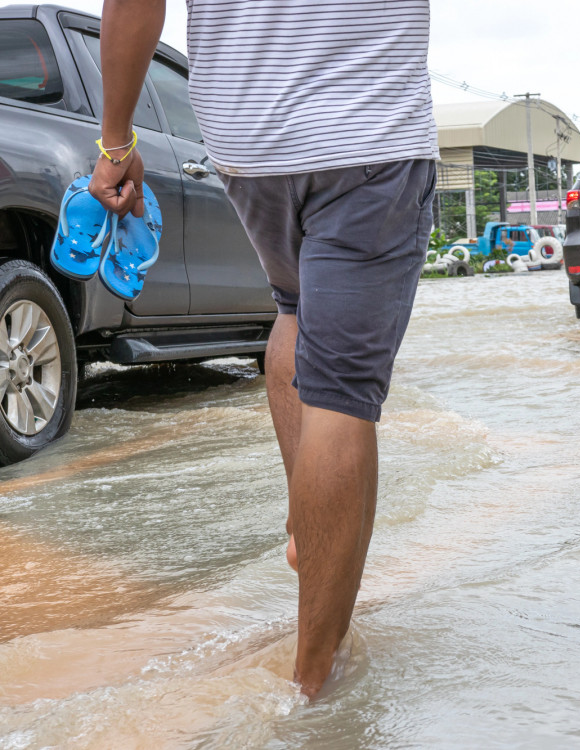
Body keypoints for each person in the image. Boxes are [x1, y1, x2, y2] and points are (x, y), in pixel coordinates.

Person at [90, 0, 438, 698]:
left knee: (294, 309)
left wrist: (116, 143)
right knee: (342, 394)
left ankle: (310, 529)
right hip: (366, 136)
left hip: (251, 147)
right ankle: (315, 684)